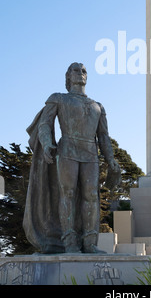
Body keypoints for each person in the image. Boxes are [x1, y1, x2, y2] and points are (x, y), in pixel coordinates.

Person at [23, 62, 121, 254]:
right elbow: (44, 124)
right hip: (67, 150)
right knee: (67, 194)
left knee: (91, 196)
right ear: (68, 76)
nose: (80, 73)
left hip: (91, 153)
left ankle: (90, 242)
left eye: (84, 71)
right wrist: (47, 143)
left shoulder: (97, 106)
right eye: (76, 70)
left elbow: (103, 136)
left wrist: (111, 160)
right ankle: (70, 242)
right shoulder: (58, 98)